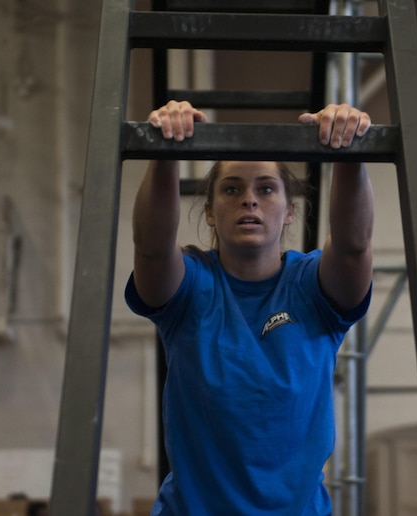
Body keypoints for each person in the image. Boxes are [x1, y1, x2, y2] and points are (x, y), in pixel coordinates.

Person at [124, 100, 374, 515]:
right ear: (209, 210)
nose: (249, 201)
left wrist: (348, 149)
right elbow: (150, 250)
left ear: (290, 210)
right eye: (231, 189)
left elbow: (353, 246)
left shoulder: (311, 287)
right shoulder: (190, 288)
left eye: (266, 189)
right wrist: (166, 149)